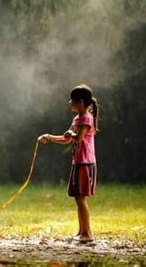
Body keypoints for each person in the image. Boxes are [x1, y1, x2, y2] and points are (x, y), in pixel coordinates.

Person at [38, 84, 99, 243]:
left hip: (85, 162)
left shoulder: (86, 118)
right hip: (78, 161)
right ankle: (82, 231)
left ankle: (88, 233)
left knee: (81, 198)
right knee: (78, 198)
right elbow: (67, 139)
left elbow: (77, 138)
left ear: (79, 102)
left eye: (71, 100)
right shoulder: (77, 118)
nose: (69, 103)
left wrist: (71, 133)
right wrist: (49, 137)